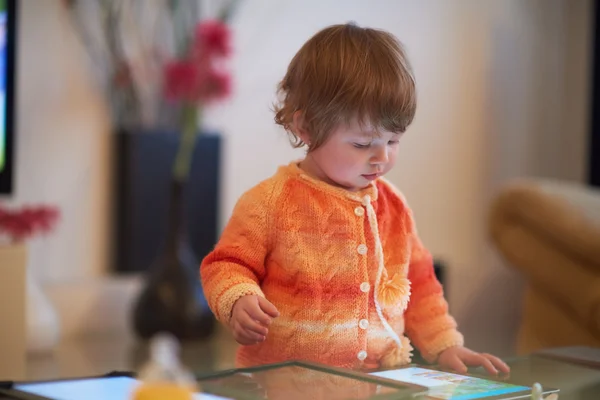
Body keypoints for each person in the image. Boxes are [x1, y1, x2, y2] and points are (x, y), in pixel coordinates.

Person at [200, 23, 510, 376]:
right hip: (284, 384)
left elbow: (420, 284)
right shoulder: (271, 202)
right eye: (363, 144)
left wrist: (446, 346)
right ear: (306, 128)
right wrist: (238, 299)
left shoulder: (393, 207)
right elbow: (225, 265)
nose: (381, 157)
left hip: (380, 381)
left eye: (393, 141)